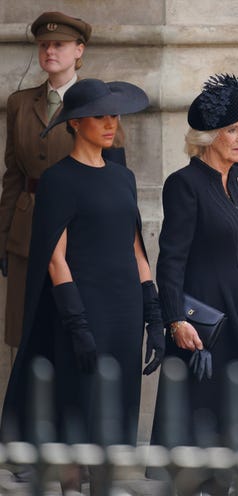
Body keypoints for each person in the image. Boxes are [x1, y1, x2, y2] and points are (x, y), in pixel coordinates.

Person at [0, 78, 163, 490]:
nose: (110, 123)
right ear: (75, 123)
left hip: (124, 312)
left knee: (112, 420)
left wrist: (153, 312)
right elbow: (55, 258)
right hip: (83, 311)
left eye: (113, 115)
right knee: (78, 415)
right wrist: (77, 324)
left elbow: (136, 246)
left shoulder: (122, 177)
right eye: (99, 116)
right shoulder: (58, 180)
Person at [150, 74, 238, 454]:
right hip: (209, 321)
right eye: (233, 130)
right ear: (209, 136)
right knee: (210, 424)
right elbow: (171, 259)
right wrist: (176, 319)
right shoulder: (184, 184)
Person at [0, 11, 126, 350]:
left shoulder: (101, 104)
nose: (49, 51)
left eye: (59, 44)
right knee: (28, 335)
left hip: (79, 234)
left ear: (79, 50)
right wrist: (4, 236)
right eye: (44, 45)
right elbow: (13, 175)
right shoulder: (20, 103)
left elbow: (114, 181)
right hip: (27, 231)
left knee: (72, 331)